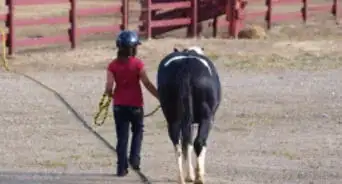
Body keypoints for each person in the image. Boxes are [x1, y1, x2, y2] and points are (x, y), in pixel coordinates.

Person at [104, 30, 159, 177]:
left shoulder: (112, 66)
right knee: (138, 132)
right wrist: (160, 96)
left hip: (119, 106)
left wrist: (110, 94)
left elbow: (109, 88)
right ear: (133, 48)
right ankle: (135, 160)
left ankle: (121, 168)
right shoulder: (138, 64)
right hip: (136, 106)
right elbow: (146, 83)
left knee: (122, 137)